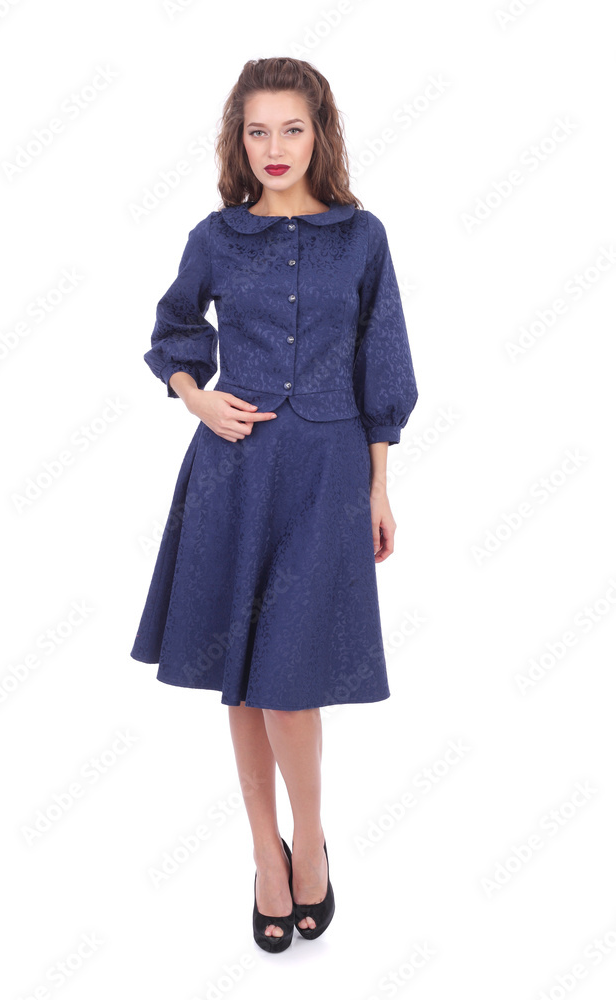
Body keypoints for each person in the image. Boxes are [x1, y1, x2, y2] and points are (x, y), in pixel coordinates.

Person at [130, 56, 419, 952]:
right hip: (234, 471)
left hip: (328, 476)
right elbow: (175, 331)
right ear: (239, 139)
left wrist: (379, 485)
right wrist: (197, 398)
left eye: (292, 128)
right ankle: (267, 854)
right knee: (243, 679)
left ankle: (311, 840)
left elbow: (382, 363)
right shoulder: (216, 237)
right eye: (257, 130)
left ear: (320, 133)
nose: (274, 147)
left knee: (291, 685)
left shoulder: (362, 237)